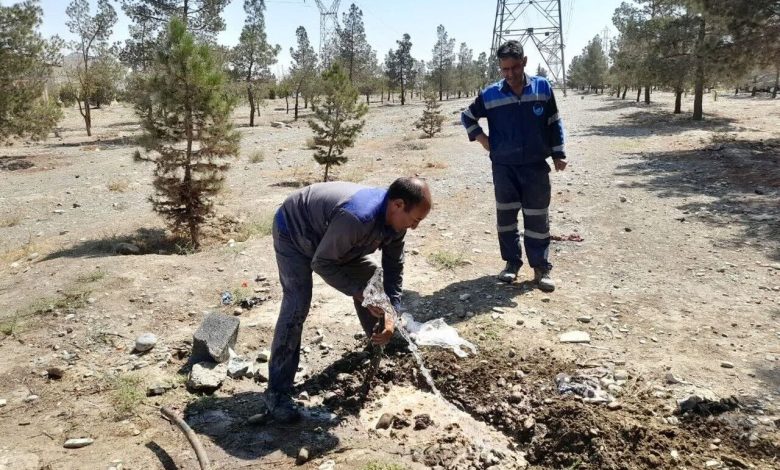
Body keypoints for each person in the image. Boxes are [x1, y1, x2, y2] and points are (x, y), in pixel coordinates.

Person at [265, 177, 432, 422]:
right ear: (398, 205)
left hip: (333, 237)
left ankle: (379, 341)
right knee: (297, 305)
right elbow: (321, 263)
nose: (414, 227)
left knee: (373, 282)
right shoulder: (358, 218)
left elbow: (394, 267)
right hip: (294, 231)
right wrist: (361, 293)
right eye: (415, 220)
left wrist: (391, 313)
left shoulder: (396, 224)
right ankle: (277, 395)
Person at [461, 40, 567, 292]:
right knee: (506, 217)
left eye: (514, 68)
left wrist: (558, 153)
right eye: (504, 69)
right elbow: (467, 115)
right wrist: (483, 139)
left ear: (525, 63)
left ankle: (540, 267)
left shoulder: (542, 88)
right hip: (504, 168)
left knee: (537, 218)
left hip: (534, 167)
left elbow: (553, 121)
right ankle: (511, 263)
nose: (509, 74)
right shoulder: (490, 94)